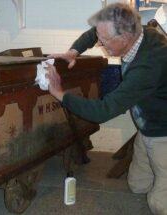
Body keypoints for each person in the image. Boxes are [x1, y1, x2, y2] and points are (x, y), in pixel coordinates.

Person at [46, 3, 167, 215]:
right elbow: (94, 32)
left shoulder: (149, 64)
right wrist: (73, 52)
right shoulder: (137, 32)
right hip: (146, 129)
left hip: (163, 134)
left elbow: (103, 110)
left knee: (159, 205)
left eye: (105, 40)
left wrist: (59, 93)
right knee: (137, 186)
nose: (99, 43)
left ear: (125, 37)